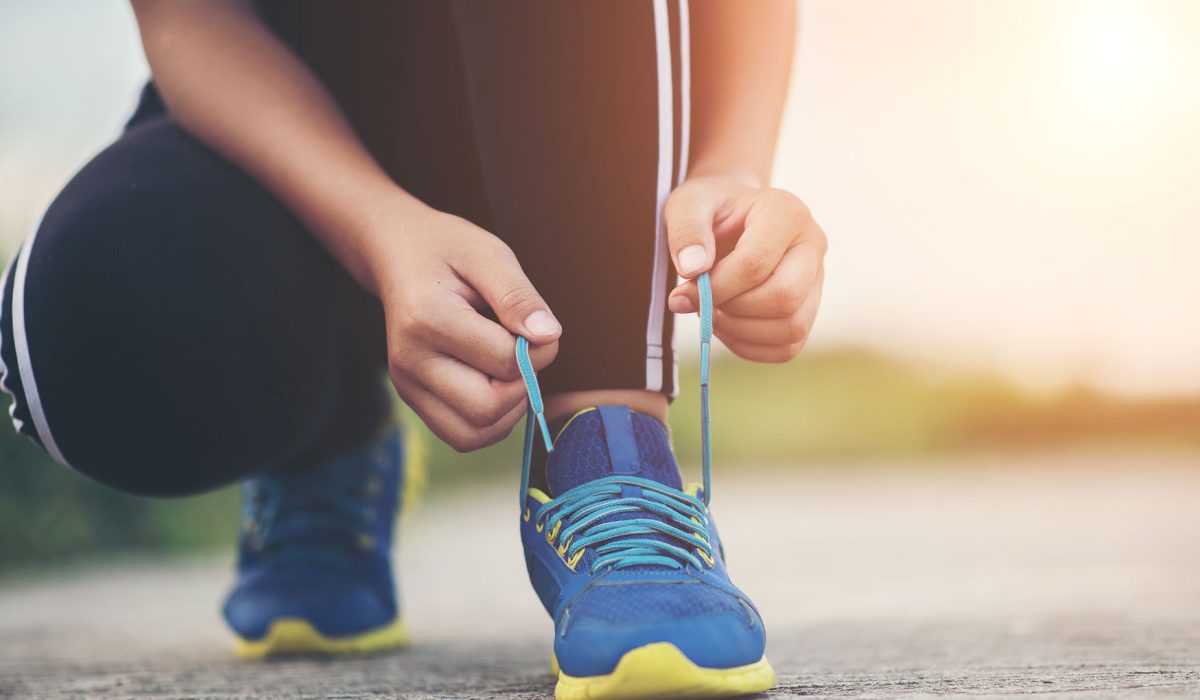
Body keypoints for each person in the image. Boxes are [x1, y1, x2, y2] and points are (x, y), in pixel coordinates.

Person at [0, 1, 826, 697]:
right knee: (84, 325)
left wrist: (732, 170)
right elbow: (188, 19)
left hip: (564, 103)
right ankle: (329, 439)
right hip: (293, 116)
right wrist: (378, 230)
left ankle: (608, 450)